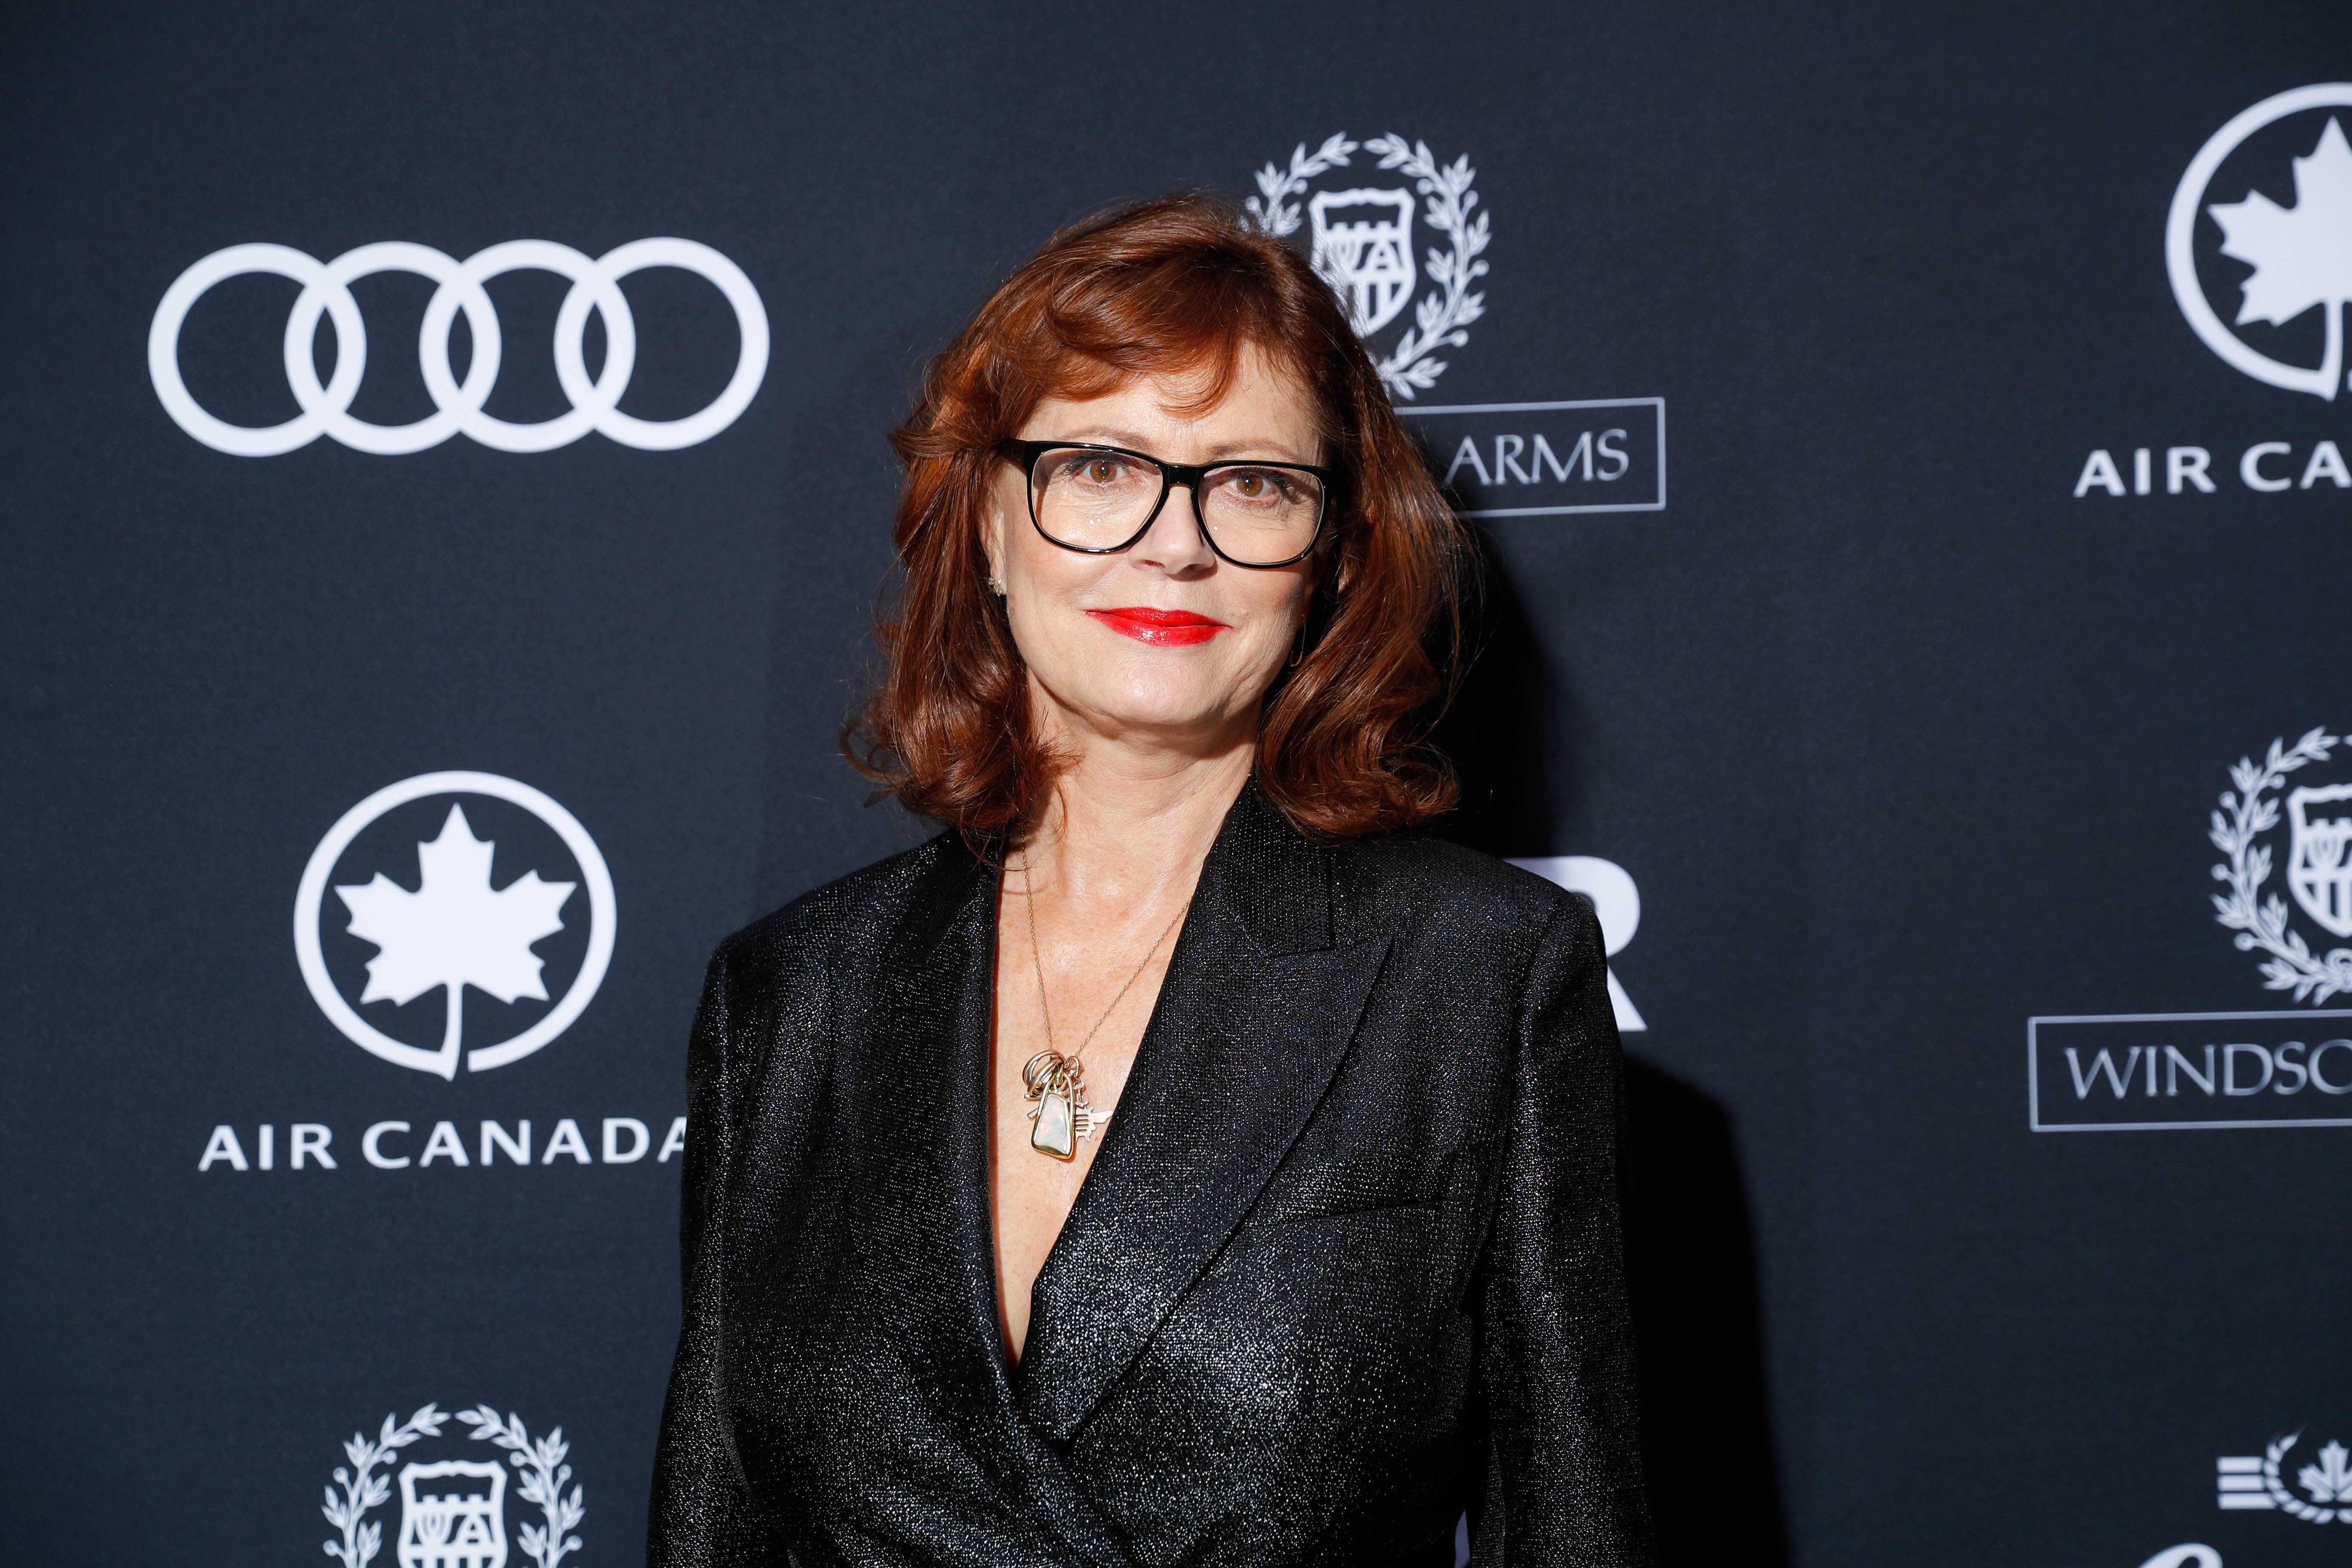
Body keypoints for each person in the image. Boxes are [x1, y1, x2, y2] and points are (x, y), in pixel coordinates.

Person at [649, 195, 1653, 1568]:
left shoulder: (1478, 975)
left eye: (1255, 483)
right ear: (988, 525)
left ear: (1332, 557)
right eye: (1102, 466)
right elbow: (712, 1525)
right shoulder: (788, 998)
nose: (1175, 542)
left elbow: (1575, 1528)